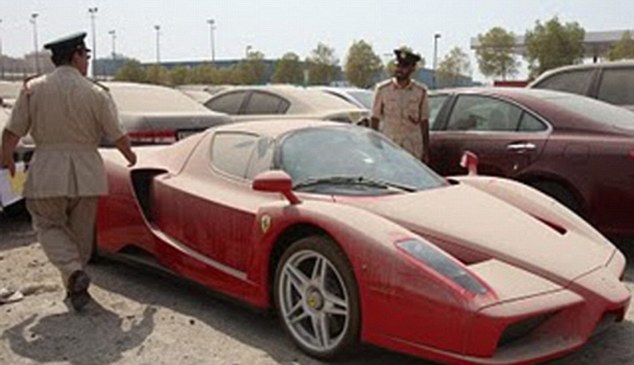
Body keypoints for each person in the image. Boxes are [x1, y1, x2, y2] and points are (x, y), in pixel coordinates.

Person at [0, 32, 137, 311]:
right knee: (80, 237)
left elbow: (11, 131)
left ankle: (74, 276)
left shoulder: (33, 89)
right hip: (87, 174)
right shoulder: (96, 92)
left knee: (47, 225)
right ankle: (75, 287)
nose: (87, 61)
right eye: (86, 55)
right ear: (75, 55)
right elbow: (117, 134)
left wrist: (7, 159)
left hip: (48, 170)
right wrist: (130, 156)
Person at [371, 48, 430, 163]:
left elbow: (424, 122)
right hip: (389, 146)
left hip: (412, 149)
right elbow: (374, 119)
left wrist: (426, 151)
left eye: (404, 67)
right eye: (398, 66)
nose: (399, 70)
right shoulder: (383, 89)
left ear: (412, 69)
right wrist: (375, 146)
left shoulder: (420, 91)